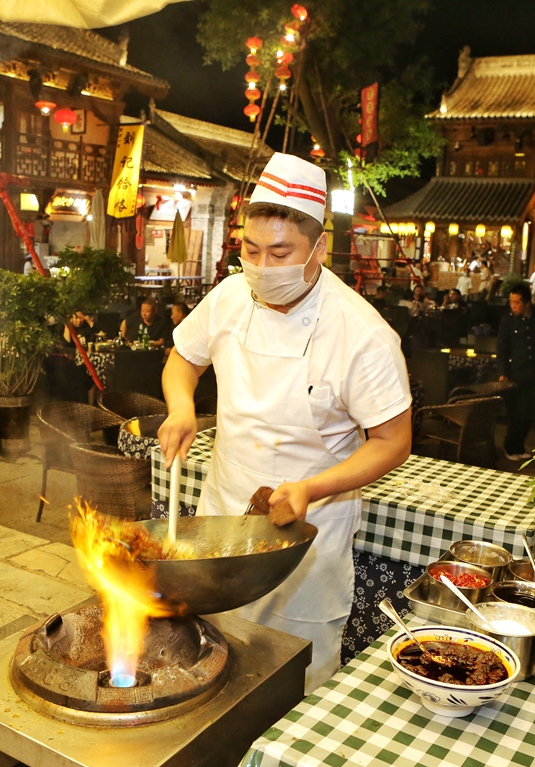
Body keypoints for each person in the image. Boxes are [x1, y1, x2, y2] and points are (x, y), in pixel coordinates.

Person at [158, 153, 412, 693]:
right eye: (251, 250)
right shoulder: (229, 296)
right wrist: (181, 406)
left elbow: (393, 441)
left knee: (290, 686)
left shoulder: (361, 333)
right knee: (208, 672)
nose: (263, 266)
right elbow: (183, 360)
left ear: (318, 248)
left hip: (305, 541)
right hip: (221, 525)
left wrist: (311, 488)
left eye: (280, 252)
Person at [497, 283, 535, 461]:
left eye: (517, 302)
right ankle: (509, 446)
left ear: (527, 303)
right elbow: (502, 348)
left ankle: (519, 446)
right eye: (511, 302)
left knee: (528, 413)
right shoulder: (508, 321)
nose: (513, 306)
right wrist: (503, 371)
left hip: (532, 373)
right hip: (515, 373)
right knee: (516, 413)